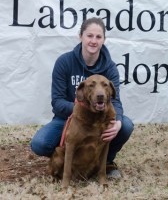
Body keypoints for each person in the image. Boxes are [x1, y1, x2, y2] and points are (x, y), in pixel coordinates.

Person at [31, 17, 134, 179]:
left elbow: (115, 100)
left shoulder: (110, 68)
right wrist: (83, 109)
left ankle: (105, 162)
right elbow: (57, 102)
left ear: (104, 40)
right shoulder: (64, 62)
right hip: (68, 119)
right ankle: (69, 160)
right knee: (40, 143)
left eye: (98, 37)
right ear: (81, 36)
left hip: (99, 119)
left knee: (126, 125)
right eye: (89, 36)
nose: (93, 41)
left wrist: (118, 121)